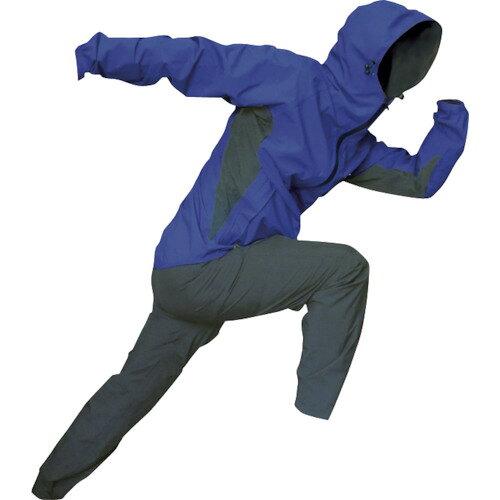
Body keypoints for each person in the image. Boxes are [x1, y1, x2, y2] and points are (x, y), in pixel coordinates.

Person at [32, 1, 468, 498]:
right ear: (367, 59)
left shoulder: (352, 146)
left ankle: (48, 485)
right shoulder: (291, 79)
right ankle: (309, 428)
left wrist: (451, 123)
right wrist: (98, 54)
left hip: (198, 272)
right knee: (345, 271)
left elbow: (417, 179)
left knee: (132, 389)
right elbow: (196, 59)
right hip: (205, 266)